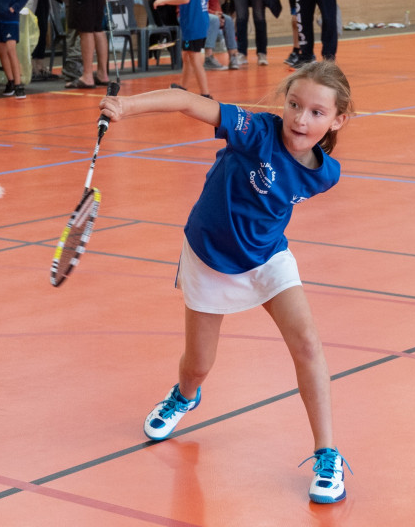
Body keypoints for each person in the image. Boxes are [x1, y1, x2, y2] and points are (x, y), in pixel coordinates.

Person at [98, 59, 354, 505]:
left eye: (316, 112)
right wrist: (125, 106)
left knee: (309, 345)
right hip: (210, 255)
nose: (300, 118)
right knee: (198, 364)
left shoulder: (324, 174)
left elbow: (274, 202)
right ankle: (184, 395)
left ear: (338, 120)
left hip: (267, 258)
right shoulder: (256, 131)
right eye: (294, 104)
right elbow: (188, 101)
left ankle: (326, 453)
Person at [153, 0, 211, 97]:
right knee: (186, 55)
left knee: (193, 56)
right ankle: (183, 87)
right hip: (200, 21)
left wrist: (163, 1)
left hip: (193, 23)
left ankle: (206, 94)